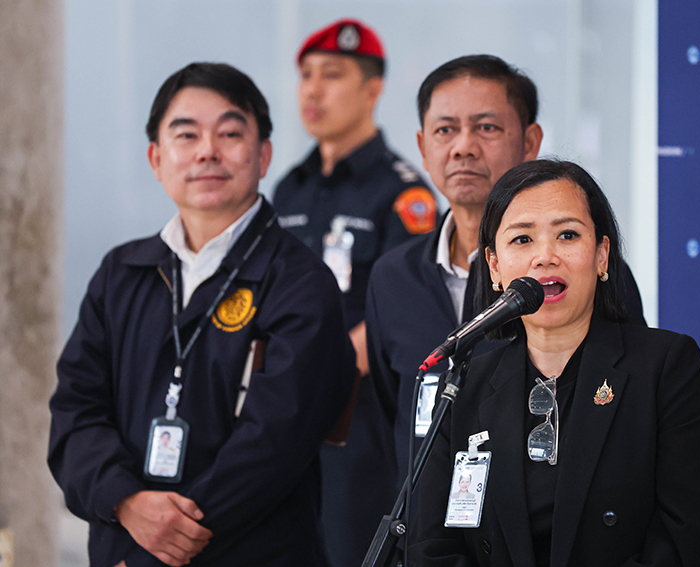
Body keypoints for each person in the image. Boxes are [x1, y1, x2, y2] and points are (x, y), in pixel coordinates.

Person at [48, 62, 355, 567]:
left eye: (230, 133)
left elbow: (273, 445)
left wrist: (154, 554)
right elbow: (75, 414)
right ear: (156, 157)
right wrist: (125, 501)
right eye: (186, 134)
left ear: (263, 155)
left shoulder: (300, 282)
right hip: (122, 545)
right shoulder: (121, 273)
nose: (207, 150)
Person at [410, 159, 700, 566]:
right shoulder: (466, 386)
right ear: (494, 266)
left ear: (601, 255)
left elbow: (685, 534)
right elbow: (432, 545)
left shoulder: (667, 368)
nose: (545, 256)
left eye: (567, 235)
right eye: (522, 240)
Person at [365, 55, 646, 487]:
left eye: (487, 128)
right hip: (427, 538)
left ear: (531, 141)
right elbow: (393, 415)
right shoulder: (391, 277)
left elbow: (624, 403)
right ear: (422, 147)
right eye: (445, 130)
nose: (463, 147)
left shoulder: (576, 272)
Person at [272, 19, 437, 567]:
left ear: (372, 89)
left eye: (332, 75)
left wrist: (316, 375)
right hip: (284, 419)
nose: (312, 90)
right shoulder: (290, 186)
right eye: (306, 76)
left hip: (359, 426)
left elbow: (403, 309)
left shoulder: (402, 190)